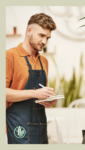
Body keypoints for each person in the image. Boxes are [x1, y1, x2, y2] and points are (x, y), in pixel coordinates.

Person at [6, 13, 57, 144]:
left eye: (48, 38)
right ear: (29, 31)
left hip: (40, 126)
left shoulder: (44, 61)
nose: (44, 41)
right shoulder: (9, 56)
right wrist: (35, 93)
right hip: (18, 127)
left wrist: (47, 100)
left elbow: (38, 94)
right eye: (41, 35)